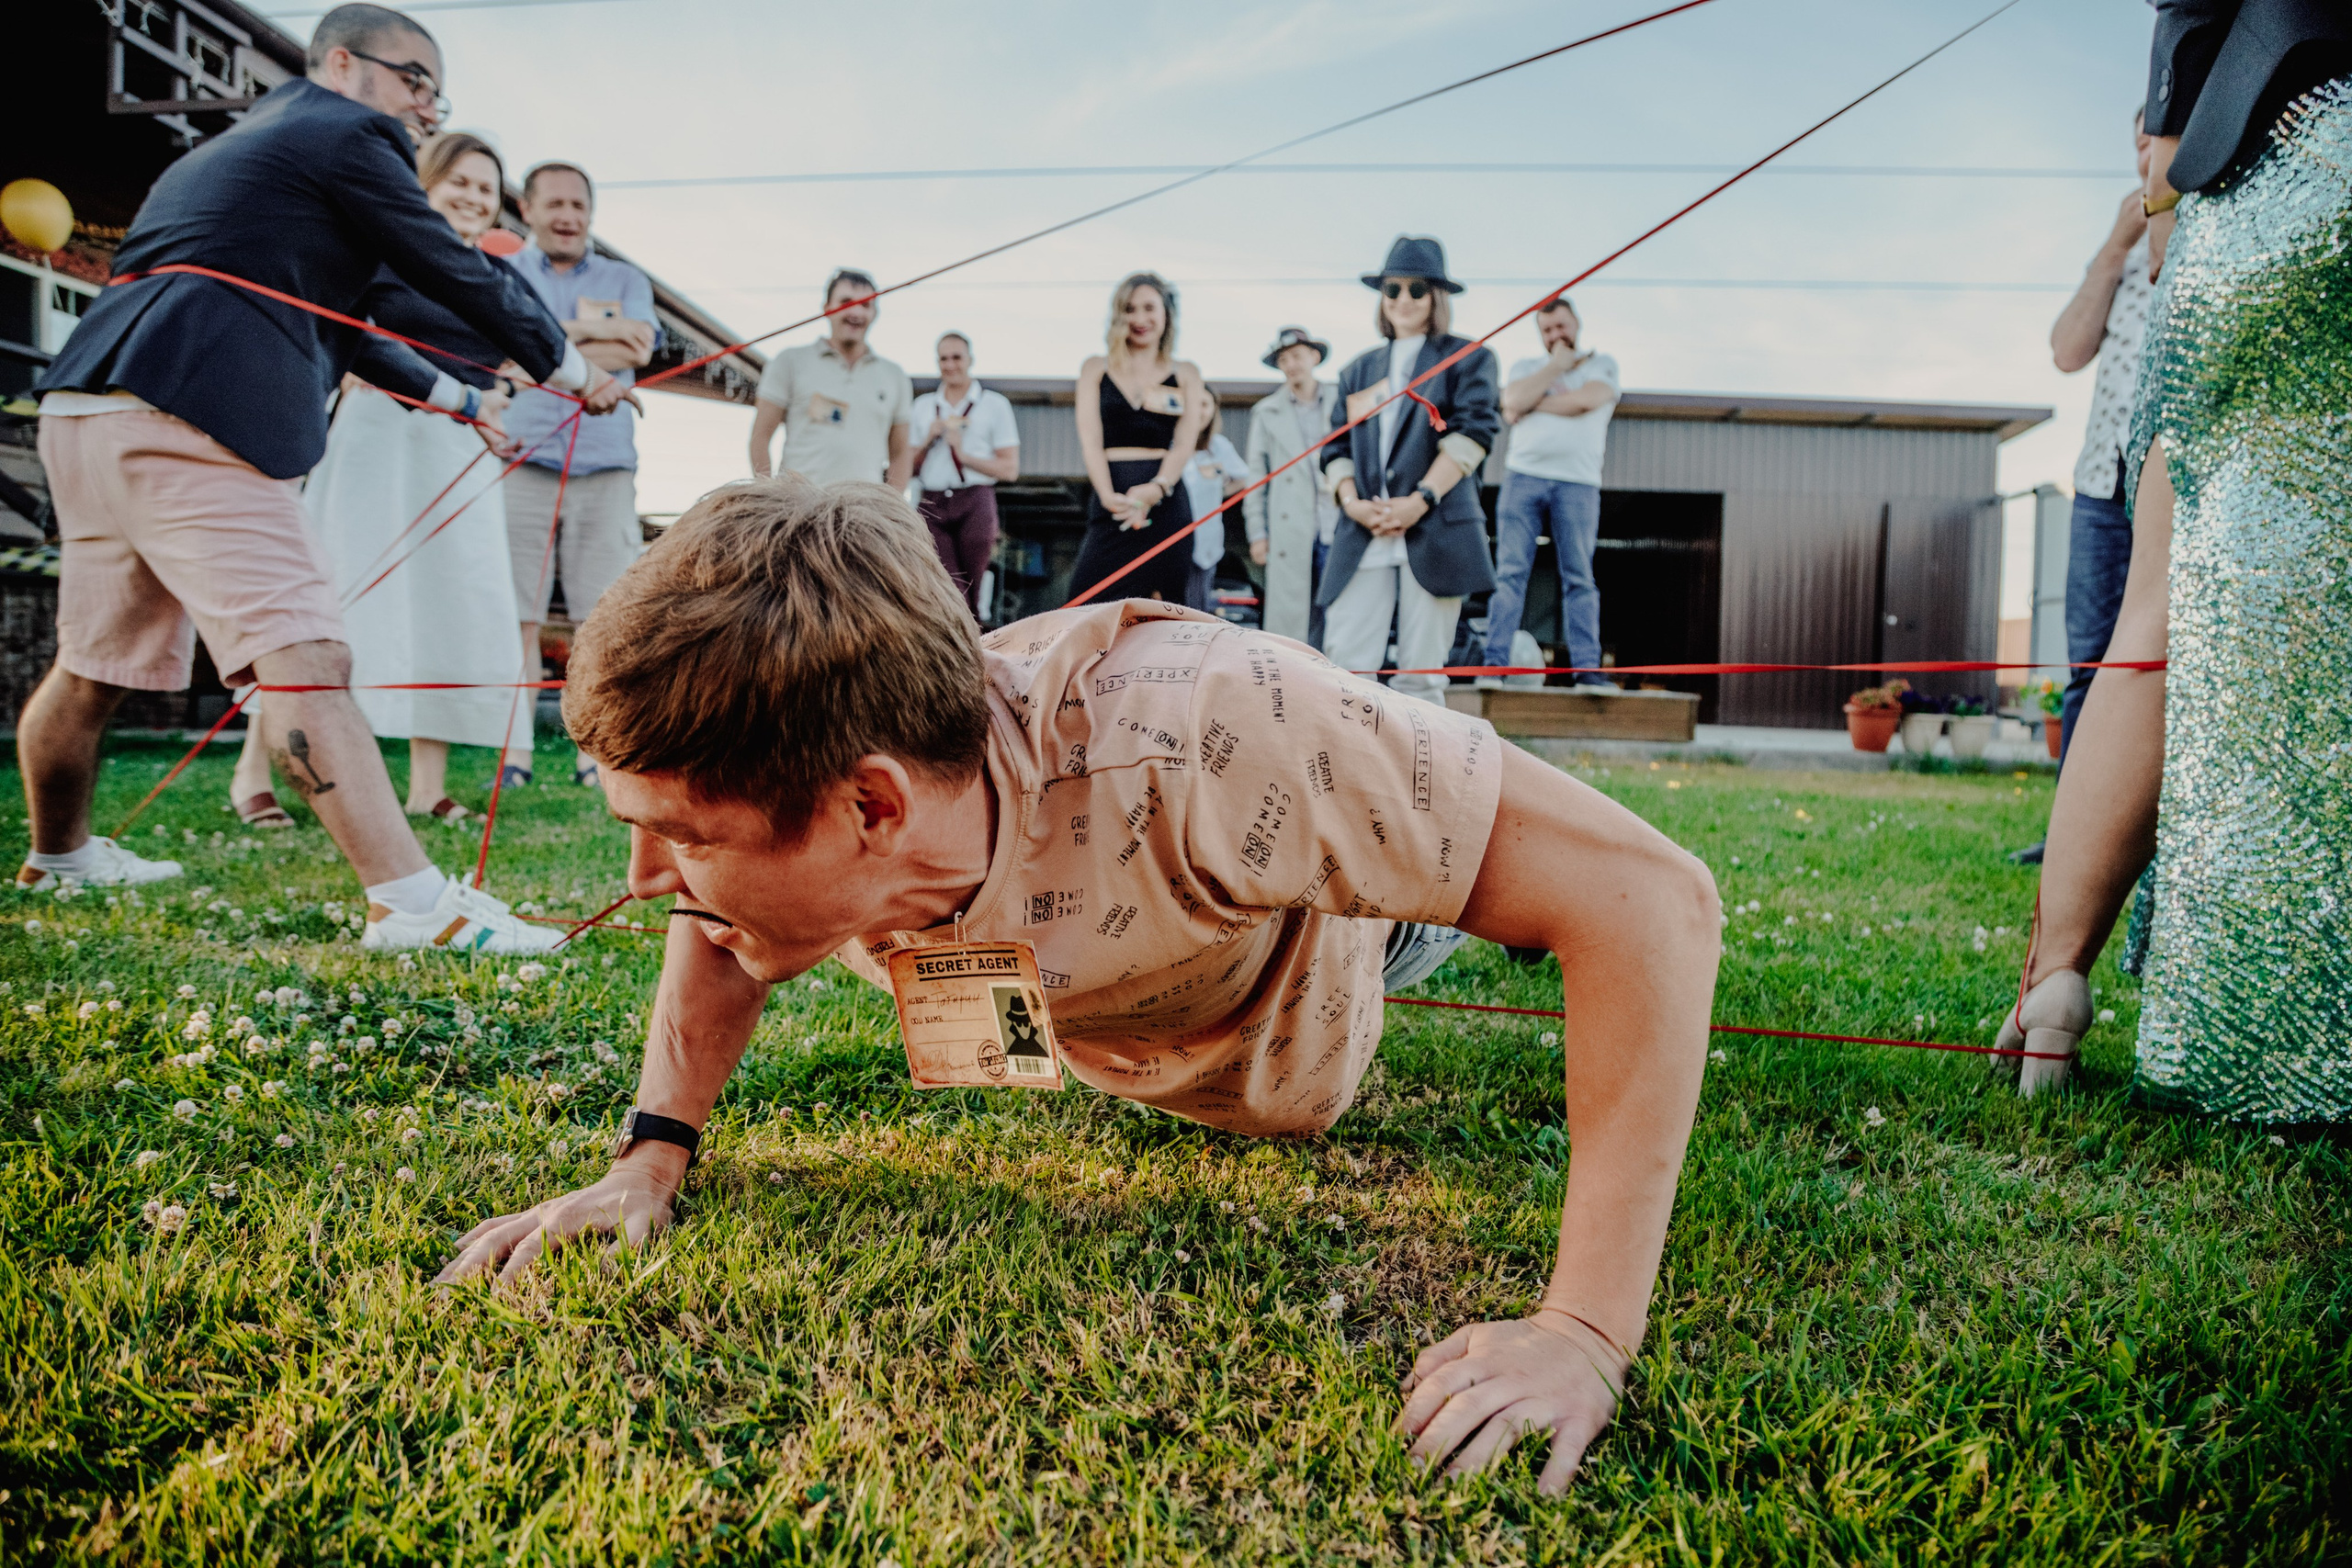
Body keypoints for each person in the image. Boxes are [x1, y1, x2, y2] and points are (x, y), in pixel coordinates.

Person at [435, 477, 1722, 1499]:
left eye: (684, 833)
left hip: (1324, 951)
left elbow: (1655, 904)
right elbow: (717, 919)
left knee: (1504, 882)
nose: (649, 873)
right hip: (1124, 998)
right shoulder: (838, 775)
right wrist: (649, 1156)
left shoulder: (1215, 729)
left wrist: (1582, 1329)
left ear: (872, 803)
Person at [24, 1, 621, 954]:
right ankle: (412, 905)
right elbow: (440, 263)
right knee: (306, 652)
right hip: (190, 406)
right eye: (415, 80)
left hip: (88, 403)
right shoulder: (345, 129)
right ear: (343, 64)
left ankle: (60, 859)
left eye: (434, 90)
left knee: (93, 665)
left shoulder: (261, 149)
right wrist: (572, 371)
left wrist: (468, 405)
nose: (424, 108)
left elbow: (361, 317)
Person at [1999, 0, 2352, 1121]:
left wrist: (2176, 166)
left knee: (2157, 609)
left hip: (2283, 158)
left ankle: (2055, 978)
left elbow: (2189, 37)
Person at [226, 130, 537, 829]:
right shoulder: (373, 254)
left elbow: (525, 346)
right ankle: (253, 771)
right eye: (459, 181)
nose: (473, 197)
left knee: (449, 605)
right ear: (423, 187)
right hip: (373, 438)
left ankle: (427, 784)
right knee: (330, 601)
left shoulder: (498, 279)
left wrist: (512, 389)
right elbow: (348, 338)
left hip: (456, 452)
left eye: (486, 189)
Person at [2009, 110, 2159, 867]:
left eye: (2156, 131)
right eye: (2135, 136)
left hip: (2180, 485)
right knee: (2088, 669)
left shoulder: (2216, 225)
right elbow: (2067, 351)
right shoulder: (2122, 254)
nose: (2144, 148)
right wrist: (2113, 247)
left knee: (2168, 669)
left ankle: (2156, 844)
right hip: (2102, 487)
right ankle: (2072, 839)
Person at [498, 158, 658, 790]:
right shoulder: (504, 273)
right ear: (528, 210)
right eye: (555, 204)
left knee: (605, 619)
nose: (568, 216)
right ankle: (515, 754)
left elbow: (638, 348)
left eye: (579, 205)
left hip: (606, 465)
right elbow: (499, 347)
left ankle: (597, 755)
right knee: (518, 614)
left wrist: (542, 342)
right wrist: (594, 337)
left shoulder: (626, 276)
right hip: (521, 460)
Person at [1318, 237, 1500, 703]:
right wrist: (1352, 503)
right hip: (1365, 529)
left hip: (1434, 524)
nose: (1402, 299)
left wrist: (1421, 500)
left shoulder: (1470, 357)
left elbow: (1473, 436)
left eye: (1416, 289)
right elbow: (1334, 446)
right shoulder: (1357, 370)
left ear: (1436, 296)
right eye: (1392, 289)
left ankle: (1420, 774)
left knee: (1422, 675)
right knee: (1345, 669)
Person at [1482, 296, 1620, 691]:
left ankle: (1587, 672)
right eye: (1546, 330)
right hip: (1522, 478)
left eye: (1561, 326)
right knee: (1509, 575)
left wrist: (1533, 403)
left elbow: (1586, 400)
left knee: (1579, 577)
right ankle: (1494, 667)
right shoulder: (1527, 367)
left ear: (1576, 322)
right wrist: (1556, 367)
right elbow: (1511, 401)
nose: (1556, 335)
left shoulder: (1602, 364)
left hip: (1578, 482)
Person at [1069, 272, 1204, 607]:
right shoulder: (1095, 368)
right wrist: (1108, 497)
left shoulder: (1186, 372)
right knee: (1082, 606)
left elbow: (1185, 444)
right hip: (1112, 499)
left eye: (1149, 308)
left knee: (1167, 610)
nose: (1140, 319)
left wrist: (1156, 489)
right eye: (1130, 309)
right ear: (1118, 315)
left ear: (1166, 314)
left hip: (1165, 502)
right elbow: (1090, 441)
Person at [749, 269, 914, 490]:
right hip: (798, 506)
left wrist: (894, 507)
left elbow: (901, 453)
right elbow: (760, 437)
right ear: (827, 309)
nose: (856, 311)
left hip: (867, 512)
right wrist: (768, 495)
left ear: (875, 314)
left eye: (866, 305)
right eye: (846, 302)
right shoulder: (790, 361)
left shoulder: (895, 376)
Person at [907, 332, 1019, 617]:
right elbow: (907, 467)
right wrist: (927, 442)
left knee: (974, 587)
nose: (950, 365)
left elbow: (1009, 469)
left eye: (956, 357)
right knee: (946, 585)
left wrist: (966, 456)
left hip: (975, 499)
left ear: (970, 360)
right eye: (943, 358)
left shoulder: (994, 405)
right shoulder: (922, 407)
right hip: (931, 501)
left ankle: (975, 647)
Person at [1242, 325, 1338, 646]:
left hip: (1338, 523)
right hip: (1290, 529)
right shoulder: (1266, 412)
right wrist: (1258, 533)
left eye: (1296, 355)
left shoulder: (1343, 402)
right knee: (1295, 622)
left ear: (1314, 356)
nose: (1291, 364)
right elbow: (1256, 476)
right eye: (1283, 359)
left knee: (1339, 615)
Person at [1178, 386, 1251, 614]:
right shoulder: (1167, 443)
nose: (1198, 410)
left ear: (1213, 410)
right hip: (1167, 543)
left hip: (1203, 548)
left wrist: (1217, 491)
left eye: (1205, 404)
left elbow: (1244, 479)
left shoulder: (1219, 447)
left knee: (1194, 611)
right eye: (1193, 402)